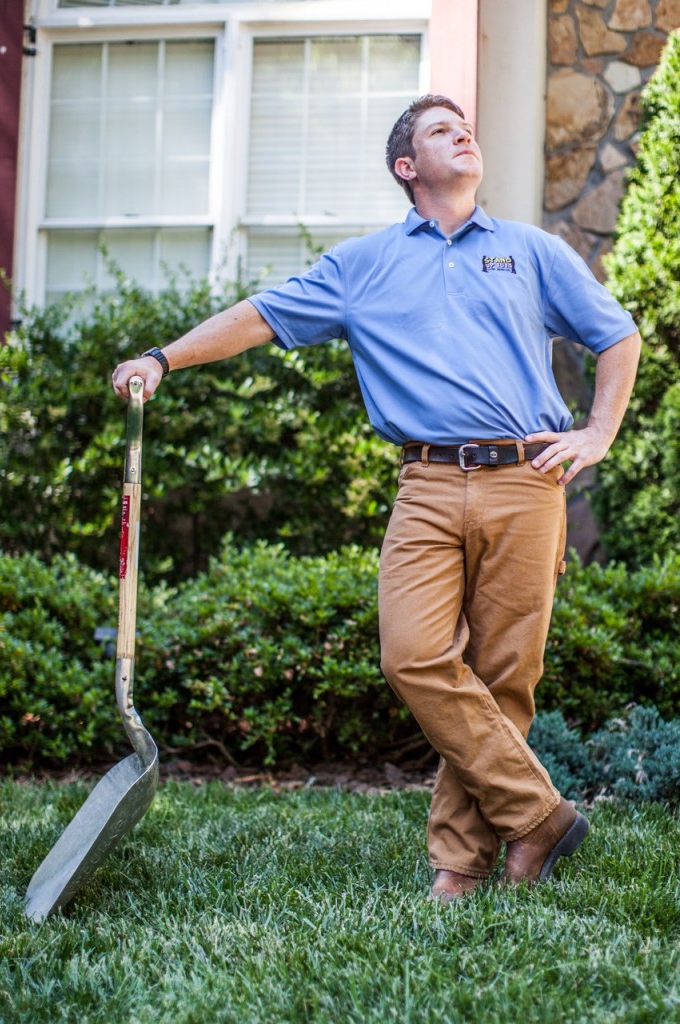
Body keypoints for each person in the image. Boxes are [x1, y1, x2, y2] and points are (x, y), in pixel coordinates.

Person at [112, 94, 640, 901]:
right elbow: (261, 316)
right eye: (440, 129)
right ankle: (539, 814)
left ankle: (463, 867)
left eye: (466, 124)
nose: (464, 131)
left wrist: (598, 433)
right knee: (413, 655)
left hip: (526, 479)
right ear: (407, 167)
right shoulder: (363, 266)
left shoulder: (531, 251)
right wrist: (163, 357)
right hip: (426, 483)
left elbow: (617, 336)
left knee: (503, 677)